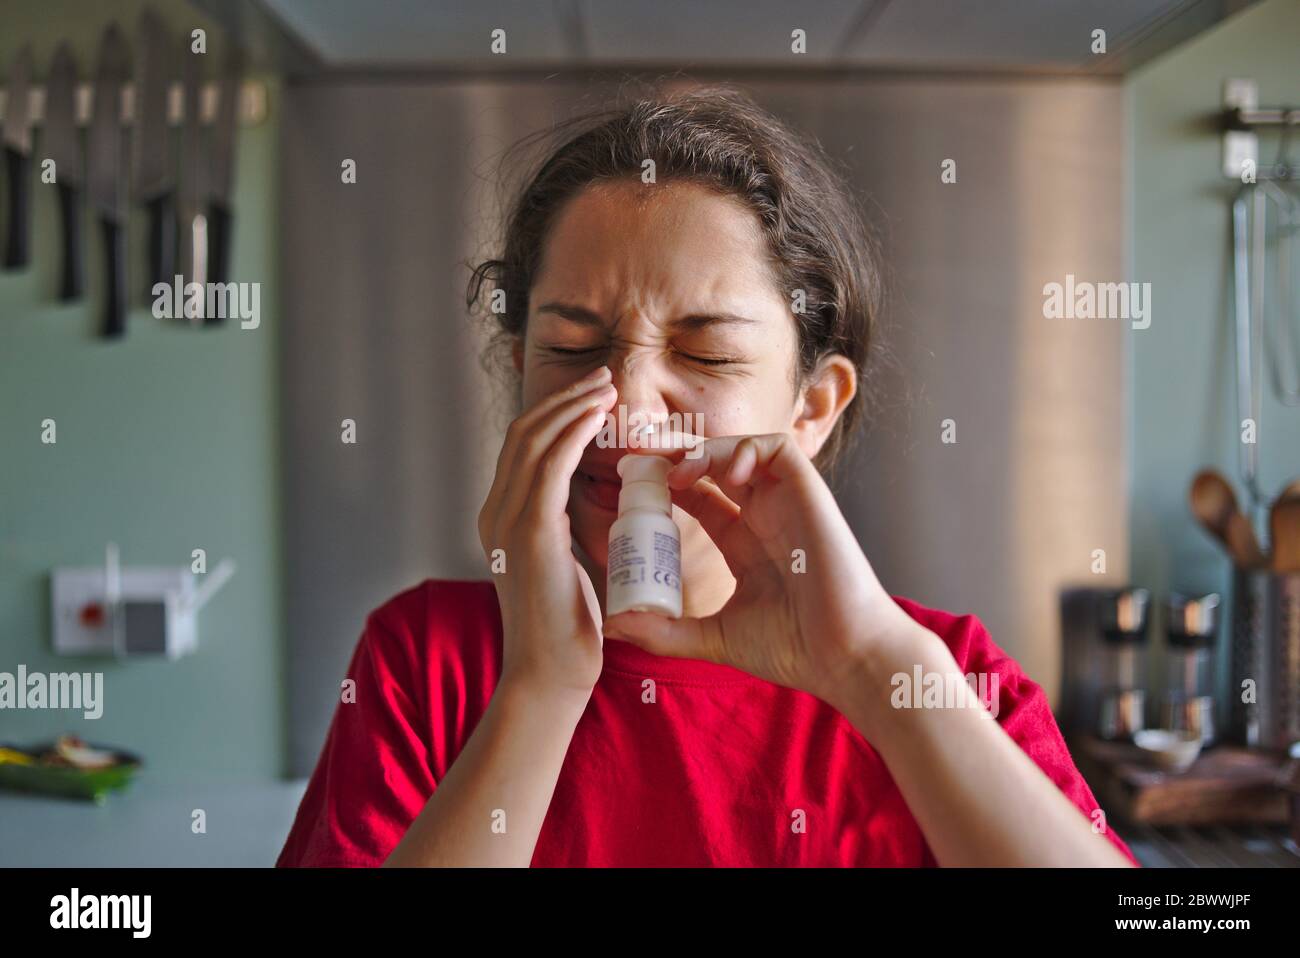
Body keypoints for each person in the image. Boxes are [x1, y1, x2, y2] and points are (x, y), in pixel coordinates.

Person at [276, 85, 1138, 868]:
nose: (627, 410)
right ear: (519, 369)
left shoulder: (944, 678)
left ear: (812, 406)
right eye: (572, 349)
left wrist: (871, 670)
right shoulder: (423, 665)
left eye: (709, 353)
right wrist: (540, 689)